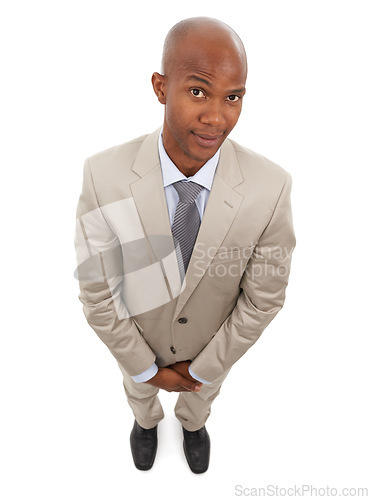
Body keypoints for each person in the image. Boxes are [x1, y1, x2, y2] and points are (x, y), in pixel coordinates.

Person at [74, 16, 295, 474]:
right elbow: (98, 293)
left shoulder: (271, 187)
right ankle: (146, 422)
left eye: (232, 97)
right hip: (136, 342)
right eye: (198, 91)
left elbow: (264, 299)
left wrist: (202, 369)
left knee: (202, 398)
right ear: (160, 87)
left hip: (212, 349)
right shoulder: (104, 175)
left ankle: (194, 425)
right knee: (138, 392)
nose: (217, 117)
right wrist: (144, 367)